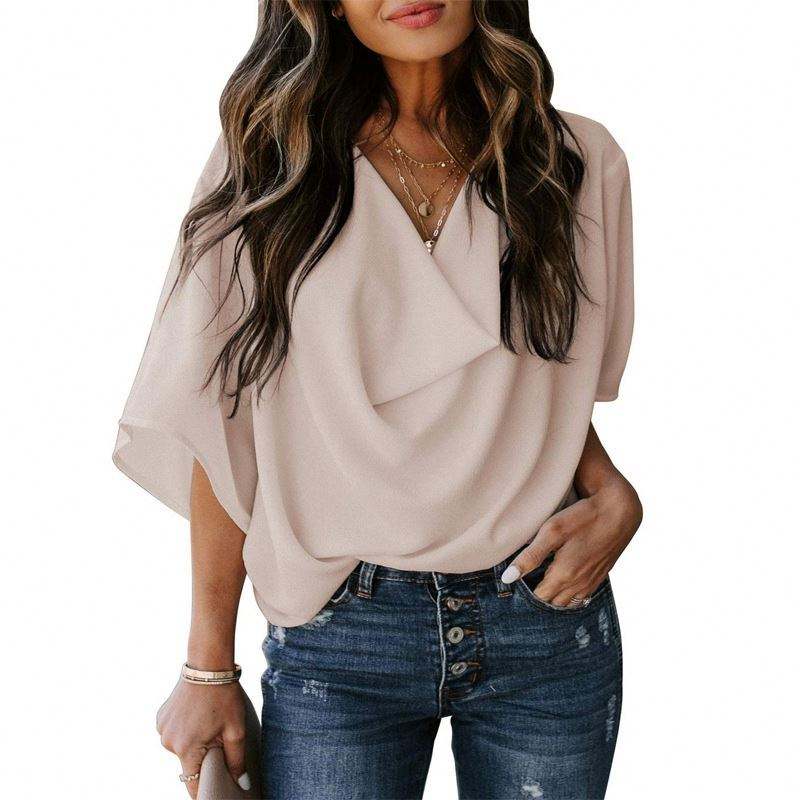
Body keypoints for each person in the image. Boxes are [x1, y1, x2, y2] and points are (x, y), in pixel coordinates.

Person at [112, 2, 643, 798]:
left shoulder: (572, 162)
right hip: (341, 629)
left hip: (543, 614)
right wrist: (206, 666)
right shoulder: (269, 162)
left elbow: (538, 388)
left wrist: (613, 493)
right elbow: (222, 423)